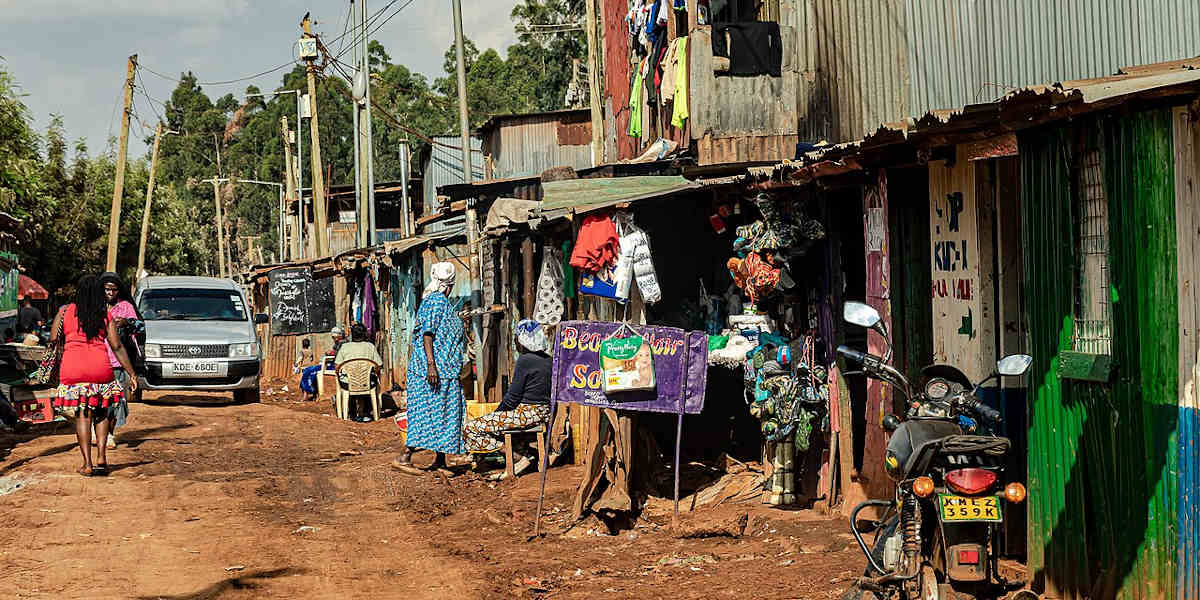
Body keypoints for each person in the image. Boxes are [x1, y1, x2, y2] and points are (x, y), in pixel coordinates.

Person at [49, 275, 138, 477]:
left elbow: (54, 338)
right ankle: (102, 459)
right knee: (102, 412)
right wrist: (131, 373)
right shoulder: (105, 314)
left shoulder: (64, 312)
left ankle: (87, 464)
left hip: (73, 368)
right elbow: (116, 346)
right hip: (100, 368)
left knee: (83, 414)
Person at [392, 262, 465, 475]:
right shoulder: (435, 302)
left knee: (444, 414)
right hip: (431, 372)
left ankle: (440, 461)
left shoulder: (441, 303)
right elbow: (427, 334)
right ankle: (404, 457)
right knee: (428, 415)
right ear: (449, 284)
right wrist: (431, 366)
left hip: (446, 372)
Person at [461, 319, 552, 476]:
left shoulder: (525, 360)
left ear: (522, 340)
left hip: (527, 414)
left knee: (472, 428)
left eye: (516, 338)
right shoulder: (548, 360)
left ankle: (517, 458)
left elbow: (512, 397)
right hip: (543, 412)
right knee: (492, 424)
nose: (516, 343)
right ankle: (522, 455)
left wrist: (496, 414)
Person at [97, 271, 139, 449]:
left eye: (114, 290)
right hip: (97, 360)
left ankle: (110, 435)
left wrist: (127, 323)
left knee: (116, 400)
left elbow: (140, 326)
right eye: (106, 289)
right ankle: (96, 431)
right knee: (96, 400)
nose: (110, 293)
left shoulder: (126, 307)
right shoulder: (95, 307)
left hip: (117, 363)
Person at [333, 322, 383, 422]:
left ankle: (352, 414)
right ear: (364, 334)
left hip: (348, 384)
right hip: (367, 383)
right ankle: (366, 413)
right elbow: (379, 365)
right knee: (371, 381)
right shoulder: (370, 347)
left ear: (352, 334)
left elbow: (337, 366)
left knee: (347, 382)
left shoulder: (345, 347)